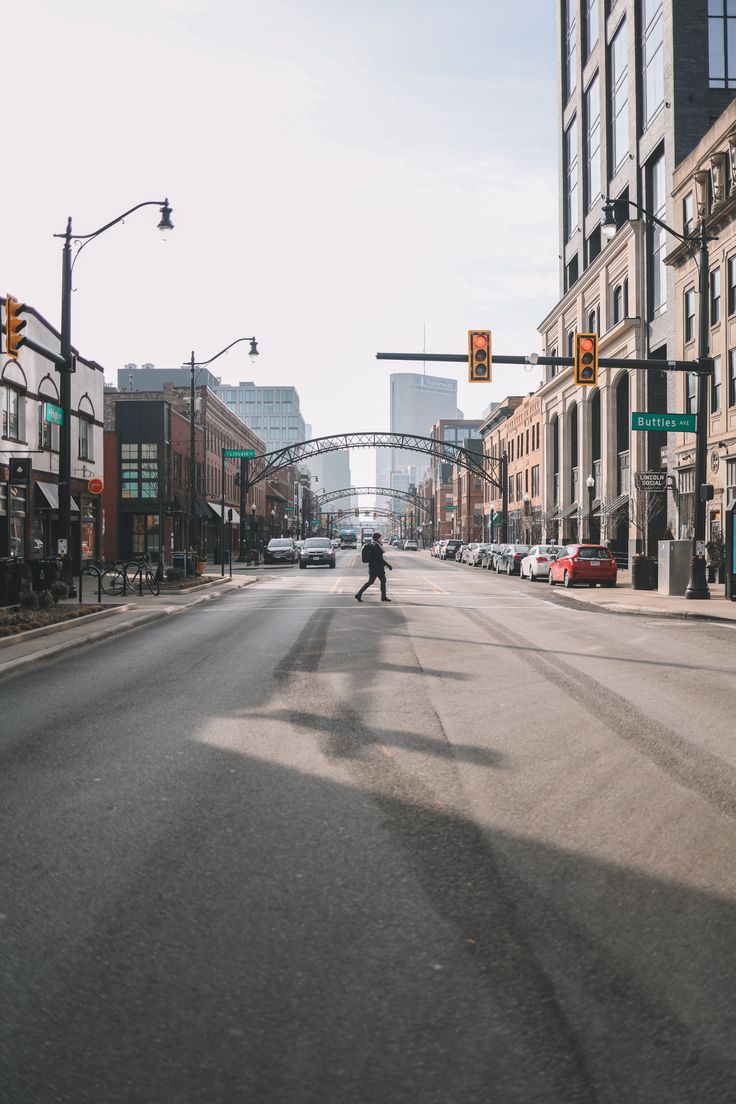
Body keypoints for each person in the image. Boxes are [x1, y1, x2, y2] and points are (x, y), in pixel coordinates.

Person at [355, 531, 393, 602]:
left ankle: (383, 597)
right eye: (380, 538)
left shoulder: (374, 545)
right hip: (376, 568)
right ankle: (359, 594)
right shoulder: (376, 546)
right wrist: (387, 565)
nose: (381, 539)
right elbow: (379, 559)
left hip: (374, 567)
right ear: (377, 538)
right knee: (371, 582)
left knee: (382, 581)